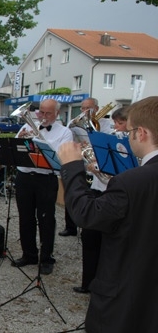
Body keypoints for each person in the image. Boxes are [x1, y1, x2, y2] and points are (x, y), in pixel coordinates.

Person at [57, 96, 158, 333]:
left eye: (130, 131)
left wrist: (72, 167)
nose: (128, 137)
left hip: (129, 310)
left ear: (142, 133)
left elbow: (86, 214)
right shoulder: (132, 181)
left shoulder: (131, 181)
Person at [11, 98, 73, 275]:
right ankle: (29, 254)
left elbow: (60, 156)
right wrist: (20, 139)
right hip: (24, 176)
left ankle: (46, 258)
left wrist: (39, 139)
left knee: (46, 219)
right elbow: (14, 147)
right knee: (25, 217)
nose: (43, 116)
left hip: (46, 178)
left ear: (57, 114)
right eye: (41, 112)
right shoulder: (27, 126)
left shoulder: (65, 132)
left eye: (48, 113)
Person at [72, 106, 128, 294]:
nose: (116, 127)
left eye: (120, 123)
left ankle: (106, 284)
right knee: (89, 238)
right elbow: (94, 163)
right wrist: (91, 163)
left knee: (109, 243)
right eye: (115, 123)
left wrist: (99, 168)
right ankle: (88, 282)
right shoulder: (107, 139)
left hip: (113, 194)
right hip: (97, 190)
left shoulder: (128, 145)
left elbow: (123, 172)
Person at [59, 97, 100, 237]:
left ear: (96, 109)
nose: (84, 111)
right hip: (81, 163)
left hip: (96, 167)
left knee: (90, 196)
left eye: (88, 108)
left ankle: (88, 227)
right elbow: (69, 141)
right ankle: (70, 227)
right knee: (73, 193)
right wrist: (78, 146)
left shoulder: (104, 124)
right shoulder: (74, 123)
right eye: (83, 108)